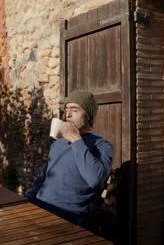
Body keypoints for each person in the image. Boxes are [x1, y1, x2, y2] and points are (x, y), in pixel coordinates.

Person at [24, 90, 113, 225]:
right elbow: (44, 177)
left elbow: (95, 179)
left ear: (88, 115)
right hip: (38, 205)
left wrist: (76, 138)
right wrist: (27, 197)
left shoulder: (102, 146)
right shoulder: (58, 143)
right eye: (66, 109)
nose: (68, 114)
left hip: (66, 214)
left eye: (75, 109)